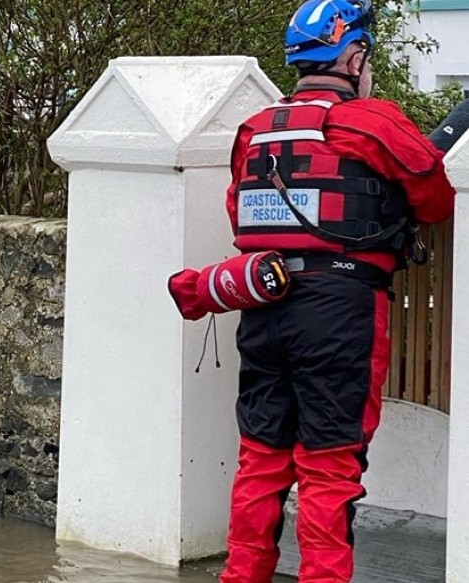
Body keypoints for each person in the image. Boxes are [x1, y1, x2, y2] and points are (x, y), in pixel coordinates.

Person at [219, 0, 455, 581]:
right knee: (329, 469)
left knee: (262, 460)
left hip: (264, 303)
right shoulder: (373, 121)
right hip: (341, 312)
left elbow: (238, 215)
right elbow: (436, 198)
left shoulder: (255, 131)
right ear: (352, 58)